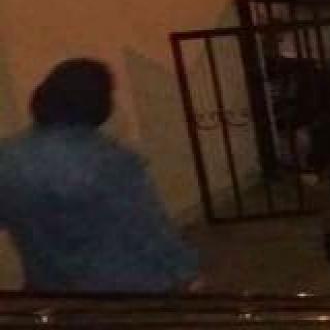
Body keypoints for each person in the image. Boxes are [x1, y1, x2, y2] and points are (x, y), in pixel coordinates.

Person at [0, 59, 200, 293]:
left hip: (49, 287)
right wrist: (186, 272)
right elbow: (147, 227)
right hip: (124, 286)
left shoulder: (8, 157)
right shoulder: (109, 160)